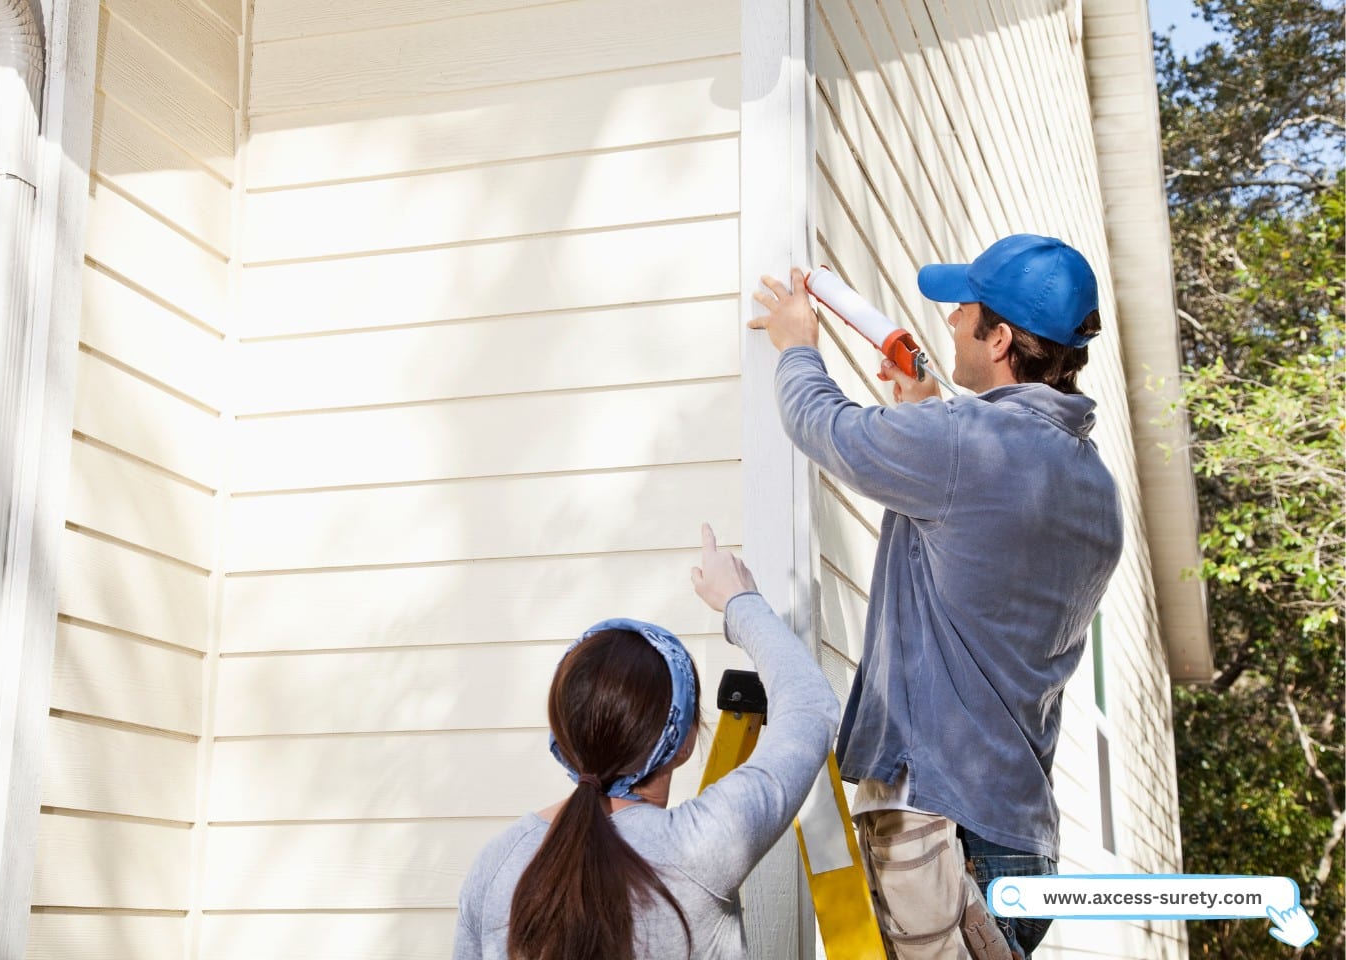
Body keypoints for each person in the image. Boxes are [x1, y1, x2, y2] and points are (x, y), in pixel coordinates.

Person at [749, 234, 1126, 960]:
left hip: (940, 827)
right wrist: (925, 406)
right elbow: (983, 537)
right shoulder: (1096, 487)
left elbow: (819, 424)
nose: (949, 319)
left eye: (963, 309)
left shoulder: (963, 444)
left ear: (1002, 338)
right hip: (1022, 839)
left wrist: (797, 344)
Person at [452, 524, 838, 960]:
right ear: (684, 741)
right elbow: (809, 708)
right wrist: (737, 599)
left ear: (563, 733)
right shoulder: (699, 846)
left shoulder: (496, 866)